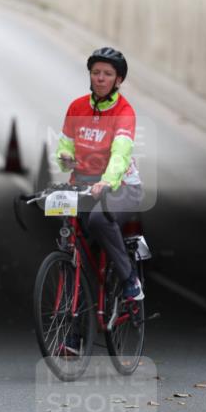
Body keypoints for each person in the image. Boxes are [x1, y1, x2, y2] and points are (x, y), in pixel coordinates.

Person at [56, 47, 144, 313]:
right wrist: (65, 158)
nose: (100, 78)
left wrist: (106, 181)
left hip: (123, 187)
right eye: (96, 72)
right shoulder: (77, 107)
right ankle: (74, 323)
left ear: (118, 80)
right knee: (70, 239)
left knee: (98, 219)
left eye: (107, 74)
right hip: (83, 185)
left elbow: (120, 153)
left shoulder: (124, 112)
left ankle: (129, 279)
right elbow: (65, 146)